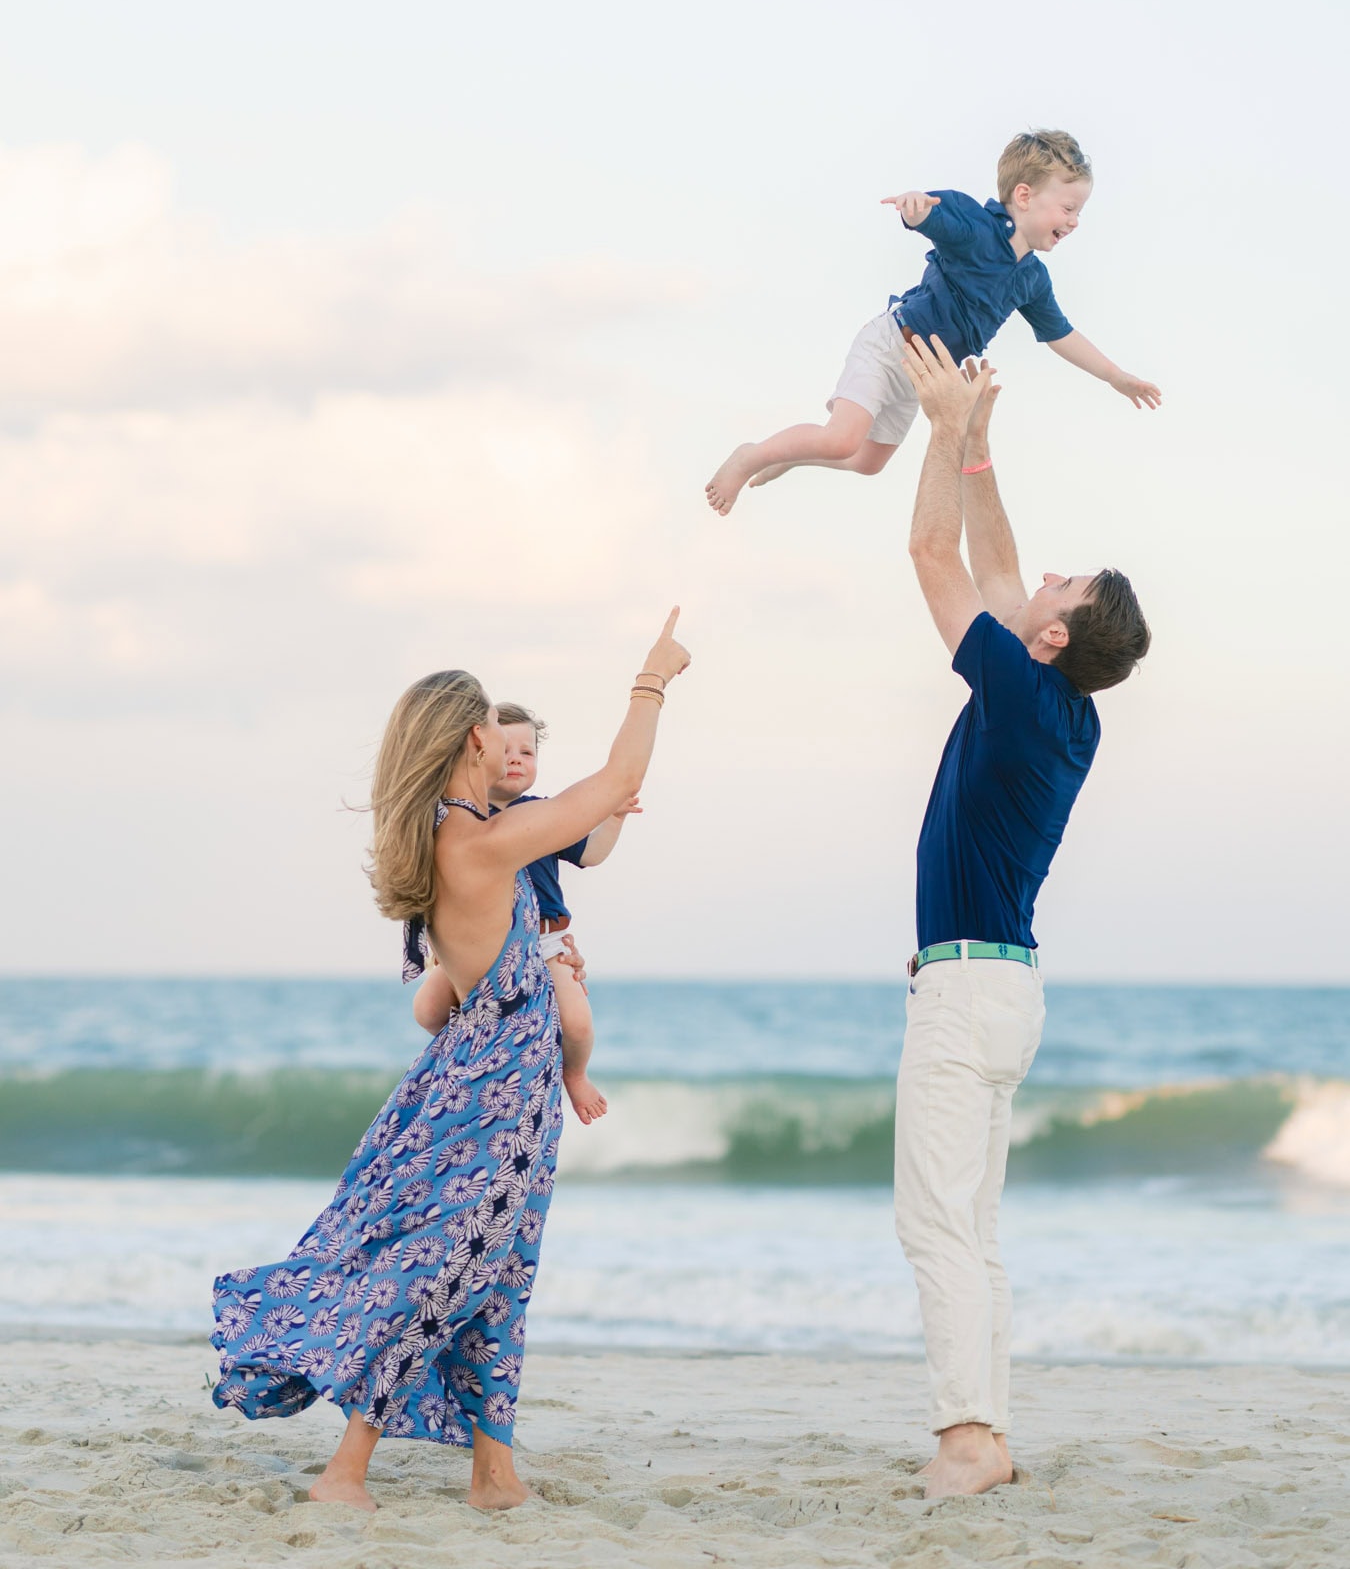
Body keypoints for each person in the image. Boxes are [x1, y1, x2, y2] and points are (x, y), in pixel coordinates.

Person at [208, 610, 691, 1513]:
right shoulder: (476, 841)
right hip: (499, 1096)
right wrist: (652, 679)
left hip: (482, 1080)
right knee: (453, 1270)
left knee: (499, 1270)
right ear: (476, 737)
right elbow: (619, 781)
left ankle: (493, 1474)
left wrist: (538, 984)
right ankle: (345, 1472)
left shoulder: (447, 836)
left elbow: (446, 992)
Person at [894, 332, 1149, 1499]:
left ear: (1052, 638)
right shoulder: (1068, 712)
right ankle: (987, 1434)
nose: (1043, 579)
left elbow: (931, 552)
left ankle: (965, 1442)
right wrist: (983, 446)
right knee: (975, 1230)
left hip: (962, 991)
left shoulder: (1014, 683)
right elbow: (1000, 576)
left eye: (1062, 588)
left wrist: (944, 432)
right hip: (1009, 992)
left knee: (938, 1227)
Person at [704, 130, 1161, 515]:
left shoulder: (1031, 279)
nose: (1075, 221)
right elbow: (936, 219)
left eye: (1079, 211)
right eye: (1068, 208)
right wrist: (917, 210)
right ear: (1024, 196)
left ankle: (797, 455)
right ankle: (751, 455)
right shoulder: (977, 228)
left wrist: (1116, 377)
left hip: (921, 378)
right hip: (891, 346)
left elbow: (1061, 335)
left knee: (867, 462)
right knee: (844, 440)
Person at [412, 702, 640, 1124]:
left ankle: (574, 1074)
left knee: (577, 1023)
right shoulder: (459, 820)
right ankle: (473, 1049)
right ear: (479, 752)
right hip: (476, 947)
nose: (517, 758)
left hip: (545, 941)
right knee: (427, 1009)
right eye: (508, 749)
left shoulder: (541, 813)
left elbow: (590, 854)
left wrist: (613, 819)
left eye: (528, 752)